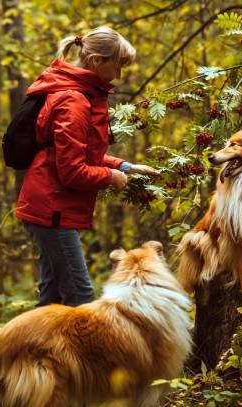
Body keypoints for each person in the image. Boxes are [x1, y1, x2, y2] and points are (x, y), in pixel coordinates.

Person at [16, 27, 158, 307]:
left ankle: (33, 351)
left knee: (52, 298)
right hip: (51, 209)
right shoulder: (74, 101)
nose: (118, 75)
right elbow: (71, 171)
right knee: (80, 299)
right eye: (117, 66)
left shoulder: (80, 93)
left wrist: (126, 166)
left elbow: (77, 153)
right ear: (96, 61)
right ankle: (76, 352)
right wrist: (111, 176)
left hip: (50, 205)